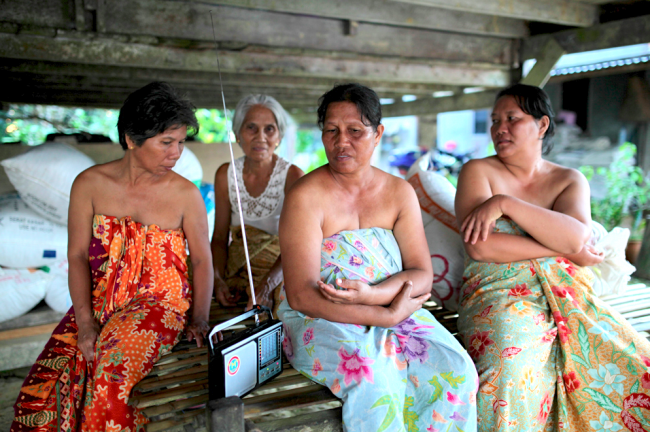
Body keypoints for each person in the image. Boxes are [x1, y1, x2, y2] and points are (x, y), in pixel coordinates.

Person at [11, 82, 213, 432]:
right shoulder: (88, 184)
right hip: (100, 303)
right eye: (166, 142)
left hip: (159, 305)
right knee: (40, 394)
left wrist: (199, 320)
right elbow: (75, 256)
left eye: (180, 142)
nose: (176, 153)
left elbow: (202, 262)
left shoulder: (186, 194)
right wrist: (86, 323)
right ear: (131, 139)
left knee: (111, 367)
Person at [278, 83, 478, 432]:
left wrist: (375, 298)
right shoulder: (304, 197)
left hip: (395, 308)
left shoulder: (399, 193)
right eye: (332, 131)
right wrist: (380, 316)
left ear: (377, 134)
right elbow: (301, 295)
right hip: (322, 315)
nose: (342, 141)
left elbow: (421, 274)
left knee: (457, 370)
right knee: (370, 376)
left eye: (355, 131)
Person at [455, 83, 650, 431]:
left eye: (511, 118)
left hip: (568, 293)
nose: (499, 128)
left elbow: (577, 235)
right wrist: (562, 245)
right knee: (511, 364)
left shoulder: (568, 179)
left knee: (633, 363)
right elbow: (480, 247)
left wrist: (504, 204)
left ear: (541, 125)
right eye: (495, 120)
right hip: (498, 295)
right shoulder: (478, 171)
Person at [212, 94, 303, 312]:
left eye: (269, 129)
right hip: (236, 265)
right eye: (251, 128)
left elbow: (298, 245)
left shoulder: (293, 176)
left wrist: (266, 286)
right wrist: (216, 280)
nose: (260, 137)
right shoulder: (226, 174)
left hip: (278, 269)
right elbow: (218, 238)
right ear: (237, 134)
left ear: (279, 135)